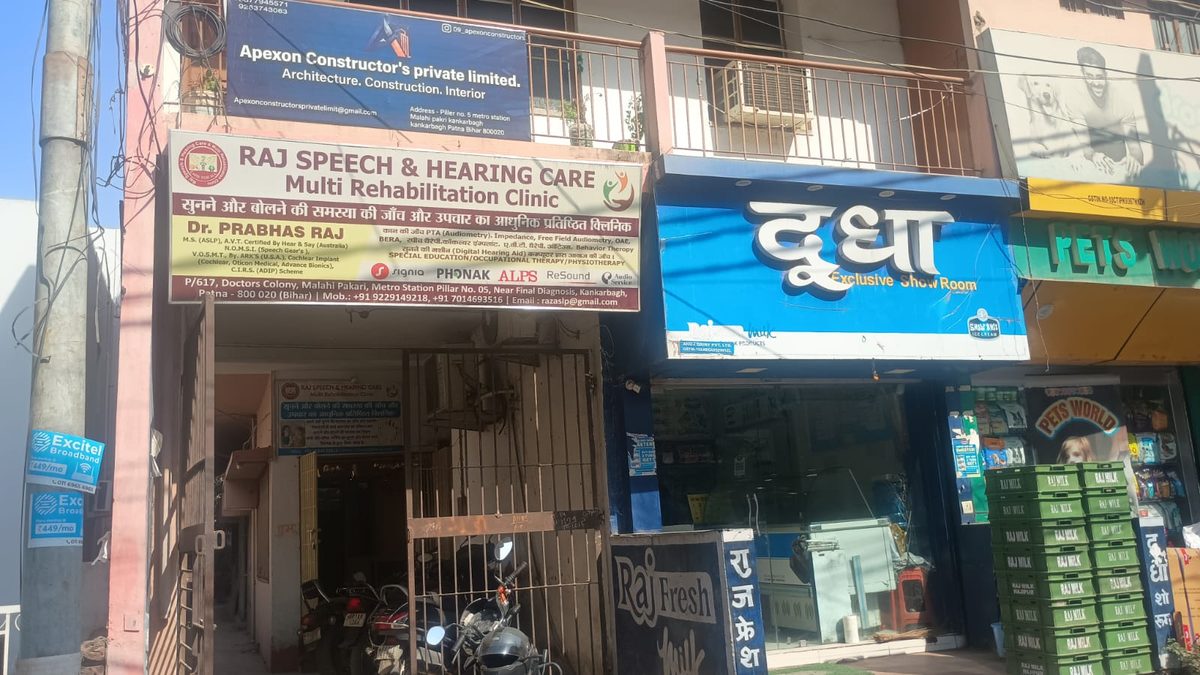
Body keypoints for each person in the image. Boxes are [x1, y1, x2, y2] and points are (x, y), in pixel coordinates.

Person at [1071, 47, 1144, 179]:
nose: (1096, 83)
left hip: (1120, 166)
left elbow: (1135, 148)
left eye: (1099, 77)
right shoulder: (1075, 99)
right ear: (1083, 75)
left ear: (1106, 75)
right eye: (1089, 77)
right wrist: (1094, 155)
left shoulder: (1122, 100)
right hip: (1092, 166)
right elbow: (1084, 144)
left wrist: (1134, 159)